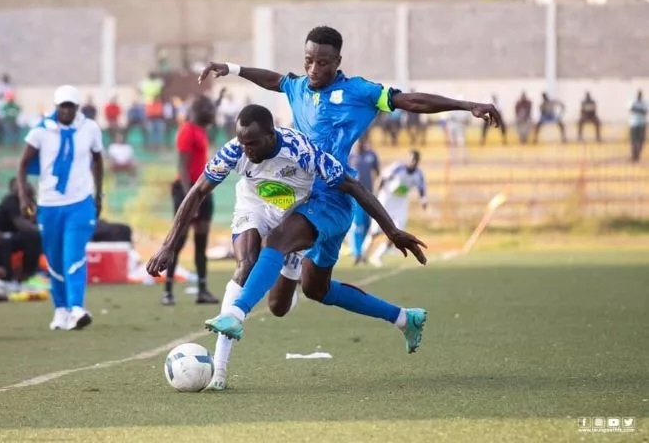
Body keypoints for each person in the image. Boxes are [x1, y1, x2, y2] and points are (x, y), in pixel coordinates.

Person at [196, 25, 502, 347]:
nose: (314, 69)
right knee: (315, 289)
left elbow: (411, 101)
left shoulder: (360, 92)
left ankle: (236, 312)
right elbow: (274, 80)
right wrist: (231, 69)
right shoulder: (298, 87)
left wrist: (467, 106)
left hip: (333, 195)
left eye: (323, 62)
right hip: (303, 194)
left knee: (277, 240)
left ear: (338, 61)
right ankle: (404, 318)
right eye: (309, 61)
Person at [146, 104, 427, 390]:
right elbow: (197, 192)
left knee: (282, 305)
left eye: (252, 143)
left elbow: (354, 186)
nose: (246, 150)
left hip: (292, 214)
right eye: (242, 142)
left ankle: (401, 317)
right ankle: (219, 371)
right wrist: (168, 245)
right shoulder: (235, 150)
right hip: (253, 206)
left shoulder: (300, 150)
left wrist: (391, 230)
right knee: (245, 264)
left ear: (271, 134)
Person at [17, 85, 104, 331]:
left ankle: (77, 308)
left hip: (79, 203)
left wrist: (99, 195)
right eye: (62, 106)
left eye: (70, 106)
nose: (66, 110)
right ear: (56, 107)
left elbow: (98, 160)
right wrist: (24, 197)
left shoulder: (89, 129)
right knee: (54, 258)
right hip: (50, 204)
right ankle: (61, 309)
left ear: (77, 108)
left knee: (73, 254)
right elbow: (23, 164)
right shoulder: (41, 130)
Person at [163, 95, 219, 306]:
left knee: (201, 241)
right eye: (210, 111)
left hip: (204, 189)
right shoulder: (187, 130)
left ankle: (202, 290)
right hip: (188, 190)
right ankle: (168, 290)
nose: (213, 115)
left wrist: (218, 101)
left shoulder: (200, 129)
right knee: (179, 239)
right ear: (200, 111)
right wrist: (190, 198)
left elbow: (210, 112)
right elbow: (182, 167)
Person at [367, 150, 427, 267]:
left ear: (418, 162)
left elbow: (421, 188)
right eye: (411, 159)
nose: (412, 162)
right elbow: (382, 178)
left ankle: (377, 256)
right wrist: (376, 195)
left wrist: (423, 200)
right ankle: (363, 254)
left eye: (415, 160)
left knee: (398, 231)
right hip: (387, 199)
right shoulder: (397, 168)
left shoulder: (418, 174)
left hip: (401, 203)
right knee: (375, 231)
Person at [348, 137, 380, 264]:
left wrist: (378, 188)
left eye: (361, 141)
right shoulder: (351, 156)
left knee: (367, 225)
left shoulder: (371, 155)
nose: (359, 144)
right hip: (356, 195)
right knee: (358, 226)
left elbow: (378, 173)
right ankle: (357, 253)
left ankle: (362, 251)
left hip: (369, 195)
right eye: (357, 142)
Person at [629, 90, 647, 163]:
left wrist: (637, 110)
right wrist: (640, 110)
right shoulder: (633, 101)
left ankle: (637, 155)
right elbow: (631, 109)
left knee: (641, 140)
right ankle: (634, 155)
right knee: (633, 140)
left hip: (642, 123)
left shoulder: (644, 102)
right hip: (634, 123)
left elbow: (645, 112)